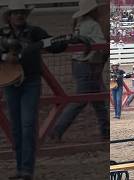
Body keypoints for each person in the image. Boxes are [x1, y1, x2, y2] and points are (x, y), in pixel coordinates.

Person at [0, 1, 69, 179]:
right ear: (10, 16)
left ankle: (25, 170)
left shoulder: (35, 32)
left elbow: (53, 45)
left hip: (27, 81)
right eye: (16, 13)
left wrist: (63, 41)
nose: (19, 16)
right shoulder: (5, 34)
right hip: (13, 83)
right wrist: (5, 56)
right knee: (18, 127)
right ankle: (22, 169)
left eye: (21, 13)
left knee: (27, 125)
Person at [50, 0, 107, 141]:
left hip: (80, 64)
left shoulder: (80, 24)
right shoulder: (92, 25)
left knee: (99, 99)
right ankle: (57, 129)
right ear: (92, 11)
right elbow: (101, 45)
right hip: (88, 65)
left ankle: (106, 131)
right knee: (81, 100)